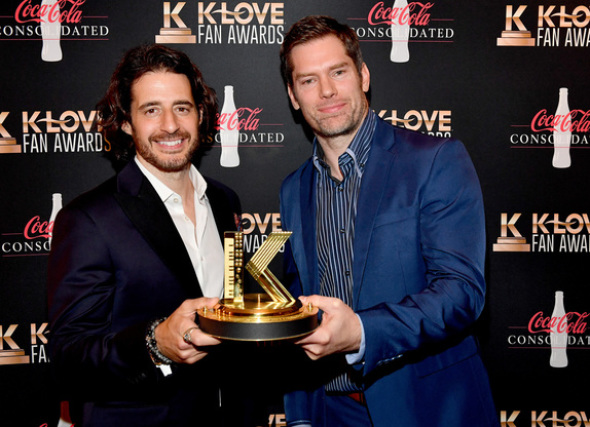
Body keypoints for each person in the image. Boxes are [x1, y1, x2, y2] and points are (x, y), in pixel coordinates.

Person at [278, 16, 499, 427]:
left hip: (427, 407)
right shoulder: (294, 189)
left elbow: (461, 291)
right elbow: (300, 300)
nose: (326, 91)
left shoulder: (435, 161)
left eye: (338, 72)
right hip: (331, 410)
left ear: (362, 75)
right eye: (308, 81)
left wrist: (362, 331)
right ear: (293, 96)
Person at [47, 44, 242, 427]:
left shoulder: (223, 200)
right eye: (151, 110)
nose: (170, 125)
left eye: (182, 108)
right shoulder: (88, 218)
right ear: (125, 121)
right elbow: (69, 358)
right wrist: (154, 344)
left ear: (201, 115)